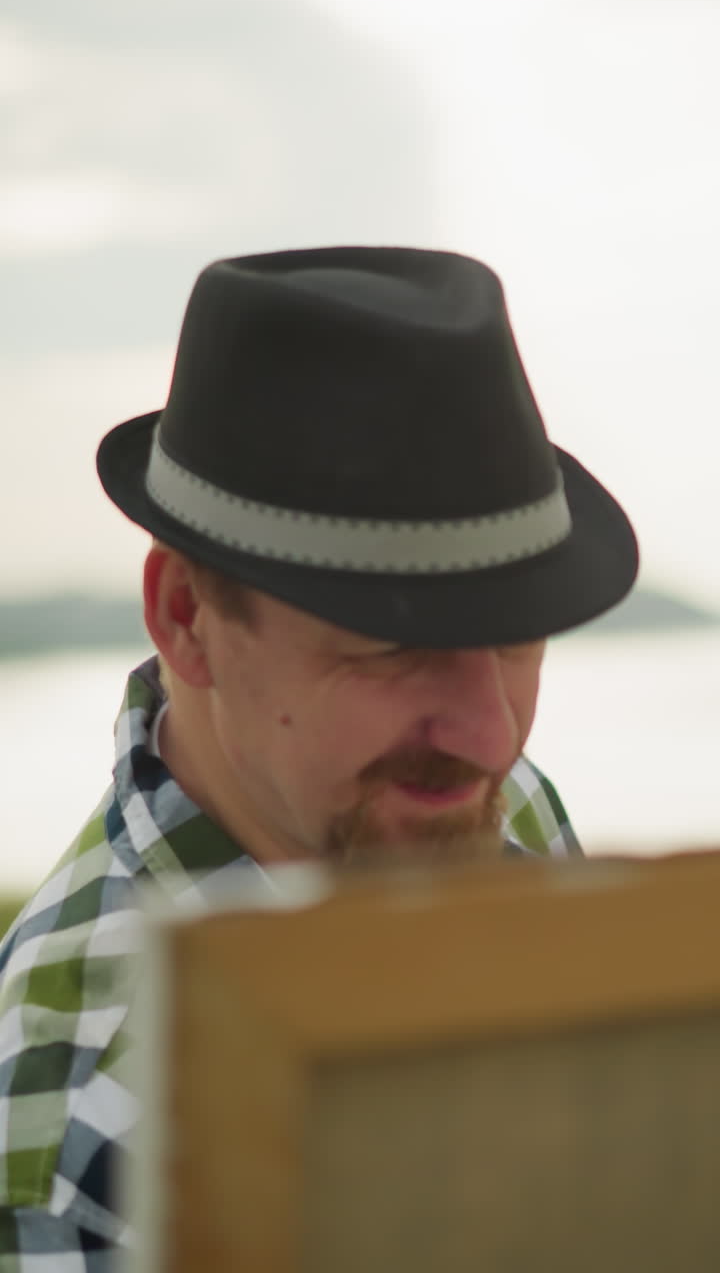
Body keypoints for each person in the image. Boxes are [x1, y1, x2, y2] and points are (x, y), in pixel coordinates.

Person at [0, 246, 638, 1267]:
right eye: (393, 645)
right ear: (185, 618)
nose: (491, 736)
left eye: (517, 632)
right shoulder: (82, 1107)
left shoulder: (457, 786)